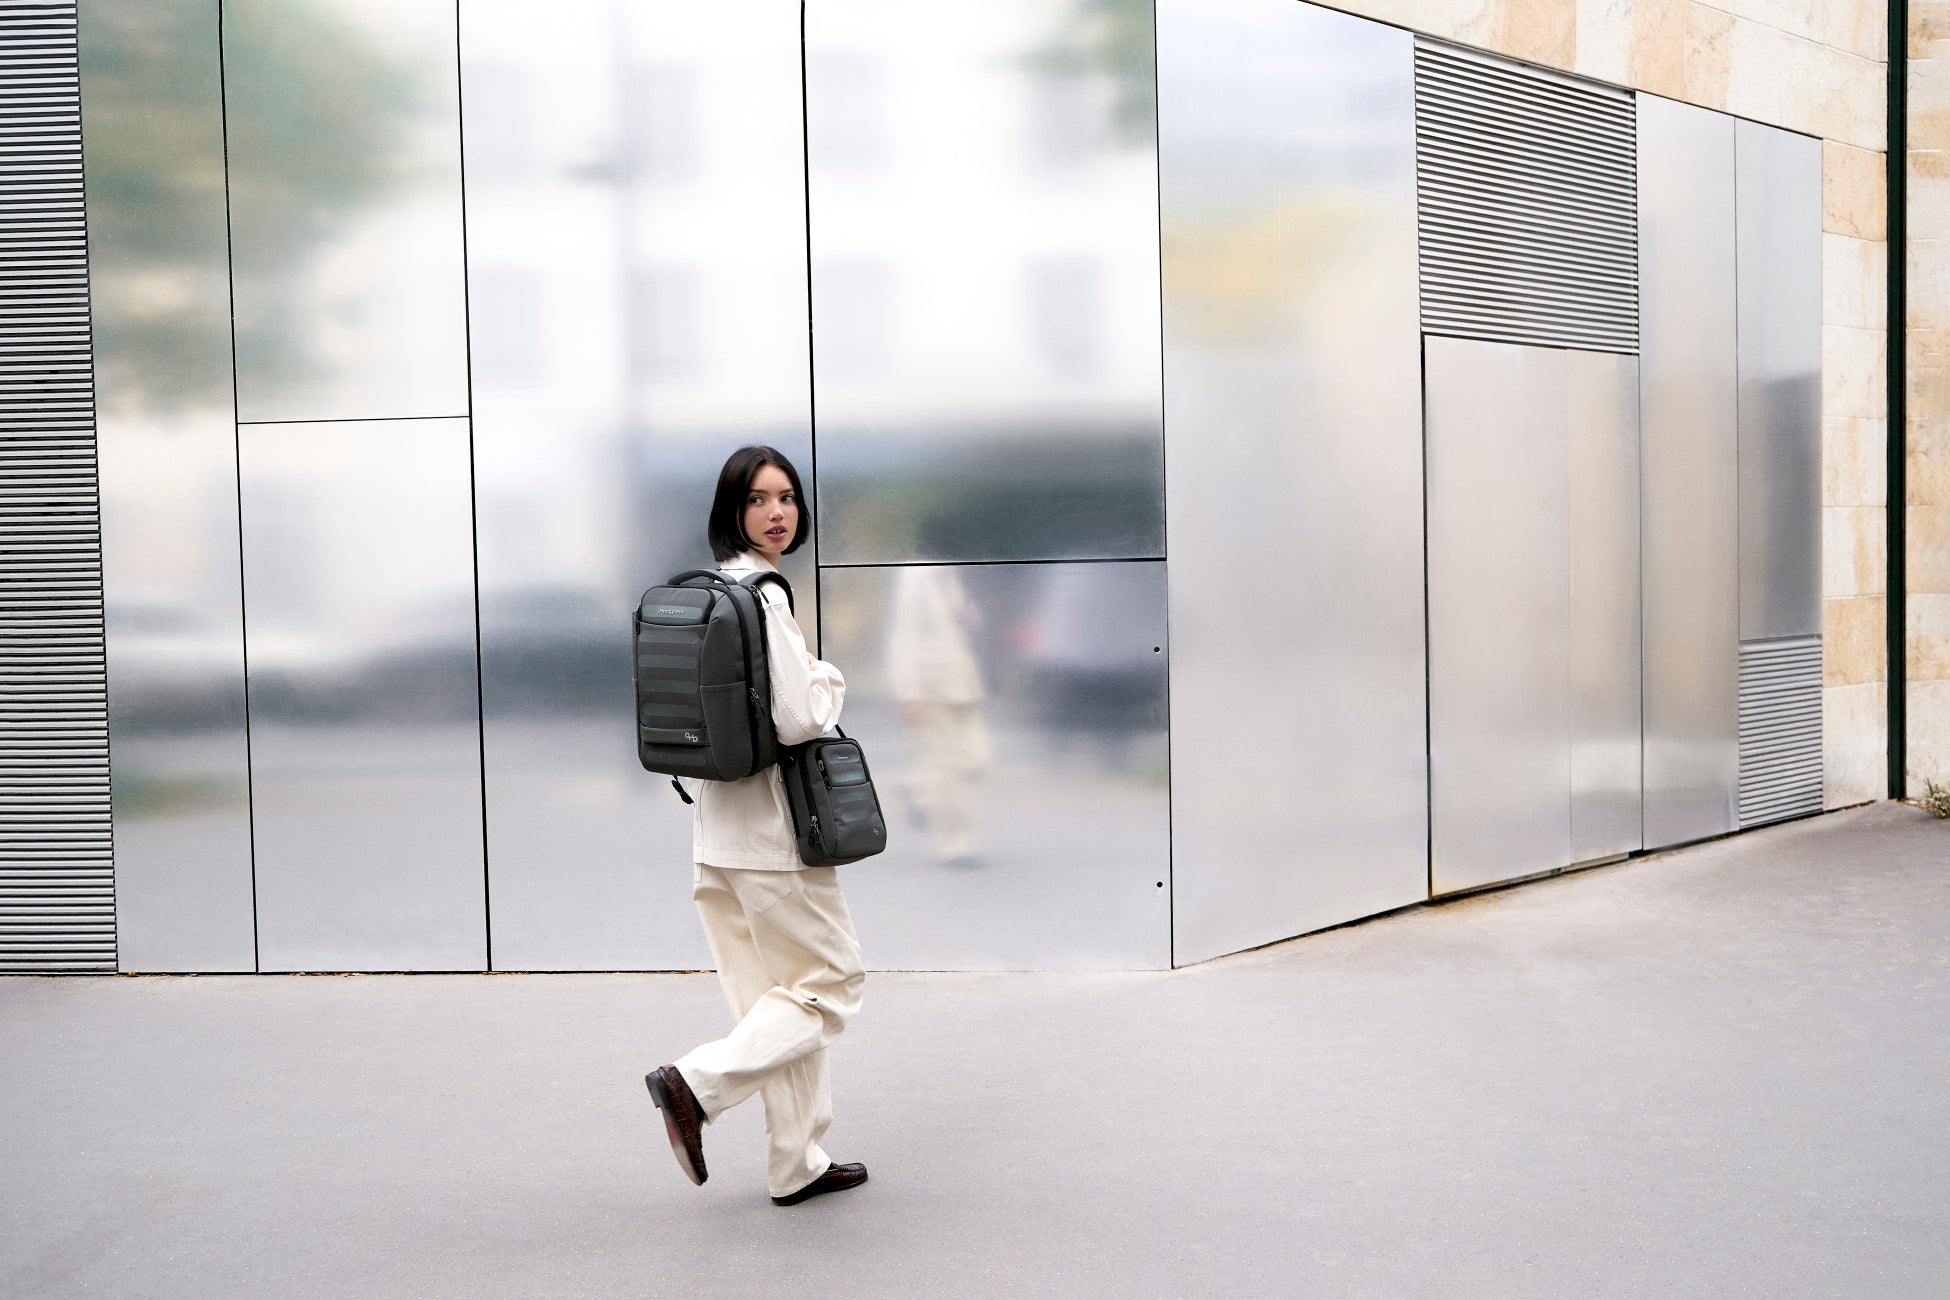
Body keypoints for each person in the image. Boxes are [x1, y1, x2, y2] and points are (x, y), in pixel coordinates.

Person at [643, 445, 870, 1207]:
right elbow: (802, 716)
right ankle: (695, 1085)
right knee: (829, 986)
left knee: (775, 1005)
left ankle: (796, 1163)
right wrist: (830, 675)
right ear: (731, 512)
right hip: (775, 836)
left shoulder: (712, 591)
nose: (777, 513)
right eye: (757, 499)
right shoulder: (765, 597)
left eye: (787, 497)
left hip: (716, 836)